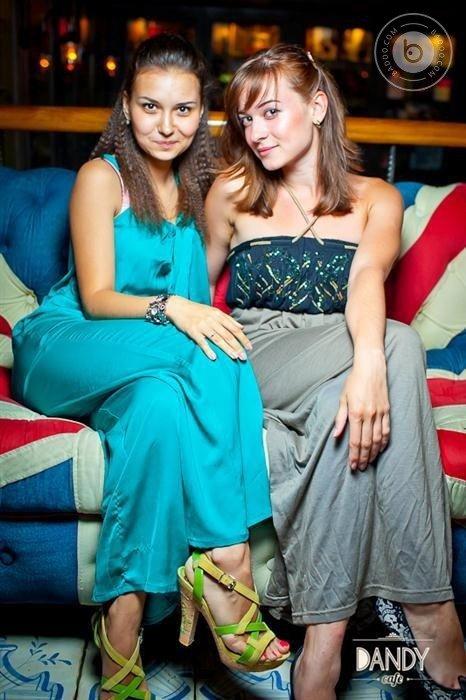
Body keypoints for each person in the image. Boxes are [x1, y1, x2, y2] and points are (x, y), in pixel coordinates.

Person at [11, 34, 289, 700]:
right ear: (126, 106)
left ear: (203, 114)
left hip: (145, 370)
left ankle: (121, 631)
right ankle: (227, 561)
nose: (166, 125)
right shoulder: (101, 177)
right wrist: (177, 309)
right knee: (211, 345)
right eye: (149, 106)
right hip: (67, 345)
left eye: (183, 109)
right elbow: (98, 298)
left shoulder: (199, 193)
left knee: (162, 408)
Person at [206, 43, 466, 700]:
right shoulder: (231, 192)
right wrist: (376, 357)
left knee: (339, 415)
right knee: (401, 342)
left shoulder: (377, 198)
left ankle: (322, 642)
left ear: (318, 106)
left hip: (336, 362)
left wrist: (365, 369)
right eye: (246, 119)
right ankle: (430, 608)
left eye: (271, 111)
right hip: (255, 353)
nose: (256, 132)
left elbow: (367, 277)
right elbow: (195, 291)